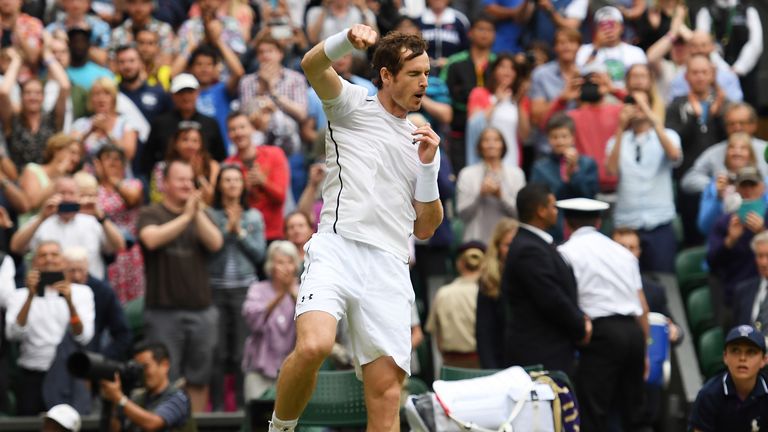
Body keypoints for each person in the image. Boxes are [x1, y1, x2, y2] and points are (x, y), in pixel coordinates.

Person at [269, 25, 443, 431]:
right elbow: (312, 65)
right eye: (415, 73)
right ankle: (279, 428)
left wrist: (429, 166)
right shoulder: (350, 104)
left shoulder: (422, 141)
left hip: (389, 265)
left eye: (427, 73)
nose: (424, 82)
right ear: (386, 75)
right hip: (337, 247)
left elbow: (426, 228)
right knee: (314, 345)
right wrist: (346, 39)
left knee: (384, 394)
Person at [138, 159, 223, 412]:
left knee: (199, 377)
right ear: (164, 184)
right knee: (166, 379)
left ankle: (194, 426)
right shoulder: (151, 213)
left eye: (190, 180)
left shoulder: (199, 214)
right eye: (180, 179)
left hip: (202, 311)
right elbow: (150, 240)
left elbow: (216, 242)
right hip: (163, 312)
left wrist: (194, 212)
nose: (187, 185)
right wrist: (185, 216)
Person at [557, 197, 649, 431]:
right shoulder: (623, 253)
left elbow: (565, 301)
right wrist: (645, 349)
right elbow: (642, 305)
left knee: (592, 412)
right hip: (633, 334)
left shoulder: (565, 253)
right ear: (598, 222)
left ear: (567, 223)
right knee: (636, 412)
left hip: (602, 335)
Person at [501, 183, 589, 377]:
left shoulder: (535, 244)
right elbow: (551, 298)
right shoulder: (529, 249)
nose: (556, 212)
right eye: (553, 206)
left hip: (550, 349)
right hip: (540, 353)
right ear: (541, 211)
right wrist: (580, 325)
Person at [5, 241, 95, 415]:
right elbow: (13, 334)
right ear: (34, 263)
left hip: (69, 374)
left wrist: (70, 302)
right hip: (33, 374)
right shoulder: (19, 295)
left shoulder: (82, 293)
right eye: (43, 255)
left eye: (54, 255)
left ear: (63, 262)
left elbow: (83, 336)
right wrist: (30, 296)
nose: (49, 259)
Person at [207, 164, 266, 409]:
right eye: (227, 180)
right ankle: (218, 409)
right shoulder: (210, 215)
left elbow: (260, 255)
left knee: (242, 351)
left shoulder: (254, 216)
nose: (232, 184)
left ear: (243, 186)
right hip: (216, 288)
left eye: (236, 180)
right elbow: (209, 251)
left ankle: (243, 408)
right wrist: (225, 229)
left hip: (245, 289)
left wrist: (238, 232)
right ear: (219, 184)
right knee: (217, 351)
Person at [606, 84, 682, 273]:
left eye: (642, 103)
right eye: (633, 103)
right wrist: (620, 127)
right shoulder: (615, 141)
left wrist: (652, 118)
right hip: (627, 224)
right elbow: (611, 171)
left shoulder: (668, 135)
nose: (637, 108)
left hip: (659, 222)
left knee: (663, 281)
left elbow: (674, 155)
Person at [11, 176, 126, 280]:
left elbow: (120, 245)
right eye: (62, 193)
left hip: (89, 286)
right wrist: (42, 217)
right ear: (53, 195)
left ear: (78, 196)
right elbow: (15, 247)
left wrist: (101, 217)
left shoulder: (92, 221)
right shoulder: (41, 221)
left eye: (71, 193)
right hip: (51, 289)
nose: (66, 198)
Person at [707, 166, 768, 325]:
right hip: (734, 299)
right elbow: (712, 262)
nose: (748, 190)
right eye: (743, 185)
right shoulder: (725, 222)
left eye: (752, 185)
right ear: (736, 189)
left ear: (763, 187)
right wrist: (730, 240)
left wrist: (763, 231)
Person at [242, 241, 300, 401]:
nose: (285, 267)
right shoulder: (257, 289)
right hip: (259, 368)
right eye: (280, 262)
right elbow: (253, 321)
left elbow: (308, 321)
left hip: (293, 369)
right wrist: (281, 295)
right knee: (257, 418)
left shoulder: (303, 291)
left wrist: (291, 293)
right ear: (271, 266)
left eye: (290, 262)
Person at [140, 73, 227, 178]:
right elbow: (148, 158)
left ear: (197, 93)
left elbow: (220, 157)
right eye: (181, 93)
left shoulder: (210, 123)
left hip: (204, 182)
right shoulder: (160, 123)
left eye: (190, 92)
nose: (186, 97)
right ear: (173, 95)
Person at [440, 14, 496, 171]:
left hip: (493, 133)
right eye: (480, 29)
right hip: (459, 132)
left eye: (489, 30)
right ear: (470, 33)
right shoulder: (454, 62)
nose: (484, 33)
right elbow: (444, 94)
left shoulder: (498, 63)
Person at [530, 113, 598, 242]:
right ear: (548, 139)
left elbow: (589, 196)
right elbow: (541, 201)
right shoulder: (540, 167)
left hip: (582, 229)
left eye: (564, 136)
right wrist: (565, 178)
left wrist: (575, 173)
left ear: (572, 138)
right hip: (553, 231)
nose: (560, 141)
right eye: (554, 137)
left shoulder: (587, 164)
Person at [0, 46, 69, 171]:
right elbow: (4, 92)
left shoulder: (52, 119)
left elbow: (64, 86)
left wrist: (47, 56)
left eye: (37, 93)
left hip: (48, 182)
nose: (33, 97)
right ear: (21, 97)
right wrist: (17, 61)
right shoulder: (13, 121)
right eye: (28, 93)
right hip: (19, 183)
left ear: (43, 97)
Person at [224, 111, 289, 243]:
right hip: (244, 235)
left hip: (273, 233)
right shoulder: (228, 165)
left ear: (252, 128)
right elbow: (227, 205)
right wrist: (244, 189)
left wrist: (263, 182)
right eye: (233, 129)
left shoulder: (274, 154)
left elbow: (281, 197)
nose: (238, 133)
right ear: (228, 135)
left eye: (242, 127)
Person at [688, 324, 768, 431]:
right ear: (725, 357)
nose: (742, 358)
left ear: (764, 360)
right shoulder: (708, 395)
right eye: (735, 351)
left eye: (751, 352)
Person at [100, 341, 194, 432]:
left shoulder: (179, 398)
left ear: (165, 365)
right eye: (137, 368)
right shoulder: (136, 398)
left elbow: (153, 424)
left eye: (145, 367)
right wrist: (114, 401)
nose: (141, 373)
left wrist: (120, 399)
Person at [238, 35, 308, 157]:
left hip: (289, 144)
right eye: (261, 52)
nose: (265, 55)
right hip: (256, 145)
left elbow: (302, 114)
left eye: (270, 51)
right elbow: (245, 116)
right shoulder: (246, 81)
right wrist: (261, 89)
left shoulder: (296, 79)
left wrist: (273, 93)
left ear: (280, 54)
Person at [93, 144, 144, 302]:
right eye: (107, 158)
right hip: (102, 250)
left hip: (127, 252)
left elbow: (132, 200)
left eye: (117, 159)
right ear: (98, 163)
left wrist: (113, 181)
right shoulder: (92, 188)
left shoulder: (133, 184)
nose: (112, 162)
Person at [682, 102, 768, 196]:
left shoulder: (765, 149)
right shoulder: (713, 152)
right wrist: (714, 185)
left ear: (754, 125)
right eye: (731, 124)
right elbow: (688, 180)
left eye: (742, 123)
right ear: (725, 127)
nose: (737, 127)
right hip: (723, 208)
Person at [456, 127, 525, 243]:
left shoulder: (516, 174)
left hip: (507, 242)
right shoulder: (467, 174)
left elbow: (521, 213)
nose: (491, 144)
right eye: (486, 140)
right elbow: (462, 214)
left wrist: (501, 196)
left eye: (496, 140)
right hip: (475, 242)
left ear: (503, 145)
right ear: (480, 146)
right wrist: (480, 194)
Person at [62, 247, 131, 360]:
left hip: (90, 356)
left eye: (81, 270)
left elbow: (123, 334)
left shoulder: (103, 291)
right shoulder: (54, 290)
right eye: (71, 271)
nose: (76, 276)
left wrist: (101, 359)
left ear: (87, 268)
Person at [425, 241, 484, 368]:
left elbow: (437, 337)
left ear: (459, 264)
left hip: (451, 365)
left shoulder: (443, 293)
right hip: (483, 365)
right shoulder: (488, 293)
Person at [695, 0, 763, 109]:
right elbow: (702, 43)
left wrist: (739, 68)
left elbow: (756, 44)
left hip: (745, 73)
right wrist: (724, 70)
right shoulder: (706, 11)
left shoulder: (748, 10)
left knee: (746, 110)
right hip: (716, 73)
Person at [465, 54, 530, 167]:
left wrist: (519, 103)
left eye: (512, 68)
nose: (507, 71)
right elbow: (474, 125)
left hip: (512, 161)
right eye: (502, 67)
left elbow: (525, 136)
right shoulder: (479, 93)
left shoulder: (520, 100)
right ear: (494, 70)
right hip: (483, 162)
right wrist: (496, 102)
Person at [697, 132, 766, 236]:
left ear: (751, 155)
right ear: (726, 154)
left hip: (758, 246)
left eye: (743, 148)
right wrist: (719, 198)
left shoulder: (763, 183)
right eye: (732, 148)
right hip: (724, 244)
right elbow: (705, 227)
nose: (737, 152)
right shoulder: (715, 185)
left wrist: (762, 228)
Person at [475, 217, 517, 369]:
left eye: (515, 244)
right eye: (507, 245)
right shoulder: (488, 280)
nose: (512, 249)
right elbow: (484, 332)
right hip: (499, 361)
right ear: (497, 247)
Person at [71, 77, 138, 165]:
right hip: (87, 175)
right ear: (91, 99)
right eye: (97, 94)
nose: (101, 99)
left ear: (114, 99)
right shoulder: (80, 124)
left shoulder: (126, 123)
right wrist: (89, 132)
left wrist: (108, 131)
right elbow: (70, 151)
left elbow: (129, 154)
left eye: (107, 94)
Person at [151, 120, 220, 205]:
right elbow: (157, 199)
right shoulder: (162, 167)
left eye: (195, 141)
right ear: (175, 143)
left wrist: (199, 175)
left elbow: (212, 200)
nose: (190, 145)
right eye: (185, 140)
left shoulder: (212, 166)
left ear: (201, 145)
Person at [575, 6, 647, 87]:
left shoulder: (636, 52)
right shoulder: (585, 50)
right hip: (598, 96)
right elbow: (580, 75)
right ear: (596, 29)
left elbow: (643, 81)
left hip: (626, 96)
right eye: (603, 26)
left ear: (622, 27)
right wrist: (596, 47)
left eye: (612, 25)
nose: (608, 30)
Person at [17, 133, 81, 222]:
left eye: (78, 155)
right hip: (31, 228)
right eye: (72, 152)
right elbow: (32, 203)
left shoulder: (69, 180)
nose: (76, 159)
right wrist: (57, 176)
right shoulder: (33, 170)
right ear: (57, 150)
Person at [108, 0, 175, 64]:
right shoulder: (117, 33)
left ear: (152, 4)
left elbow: (167, 63)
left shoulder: (164, 30)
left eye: (144, 2)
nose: (138, 8)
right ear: (127, 5)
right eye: (133, 2)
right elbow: (112, 65)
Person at [733, 231, 768, 336]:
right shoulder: (743, 290)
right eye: (759, 256)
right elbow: (735, 332)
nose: (763, 262)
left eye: (767, 256)